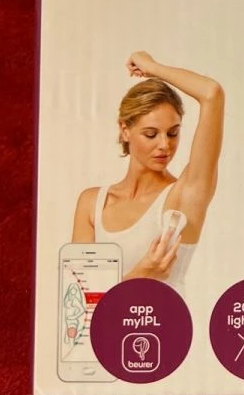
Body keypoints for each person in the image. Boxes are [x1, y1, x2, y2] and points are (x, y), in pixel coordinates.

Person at [72, 53, 223, 288]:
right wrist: (140, 275)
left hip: (171, 315)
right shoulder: (92, 204)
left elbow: (212, 93)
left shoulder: (184, 196)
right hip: (106, 317)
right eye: (151, 134)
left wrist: (153, 68)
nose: (165, 145)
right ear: (125, 130)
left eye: (173, 133)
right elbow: (77, 302)